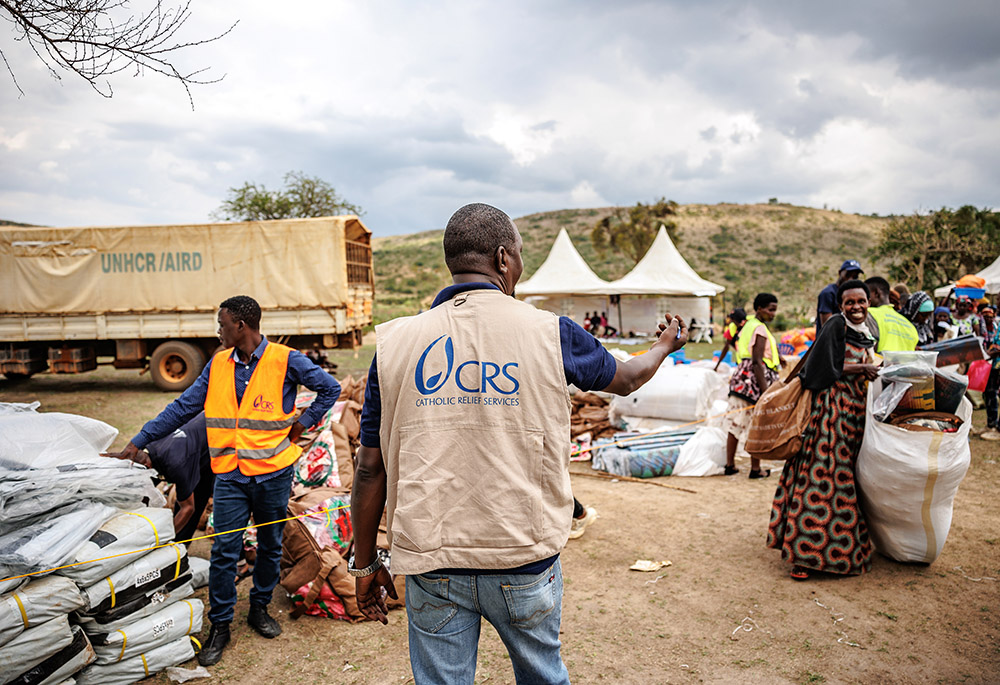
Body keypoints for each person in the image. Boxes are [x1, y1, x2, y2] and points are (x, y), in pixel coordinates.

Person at [349, 203, 688, 685]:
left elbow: (369, 469)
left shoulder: (395, 344)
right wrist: (664, 346)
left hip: (433, 559)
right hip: (523, 554)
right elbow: (629, 377)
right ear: (504, 259)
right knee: (542, 676)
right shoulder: (550, 332)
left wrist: (365, 565)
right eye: (522, 258)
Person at [105, 295, 341, 667]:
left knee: (270, 544)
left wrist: (302, 423)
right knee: (224, 550)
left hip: (273, 474)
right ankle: (220, 625)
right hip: (229, 475)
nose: (218, 330)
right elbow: (183, 407)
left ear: (241, 326)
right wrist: (138, 442)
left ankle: (260, 608)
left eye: (222, 324)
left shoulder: (285, 360)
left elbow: (331, 389)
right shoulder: (217, 365)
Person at [767, 280, 879, 581]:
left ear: (869, 301)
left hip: (855, 414)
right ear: (840, 305)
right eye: (849, 302)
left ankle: (841, 548)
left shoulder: (871, 328)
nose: (856, 307)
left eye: (861, 301)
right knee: (823, 479)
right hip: (830, 414)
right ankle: (804, 556)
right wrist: (860, 370)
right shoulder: (835, 326)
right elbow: (820, 368)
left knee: (849, 480)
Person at [106, 412, 213, 543]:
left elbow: (188, 508)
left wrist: (163, 538)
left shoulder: (177, 466)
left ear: (147, 465)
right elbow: (144, 491)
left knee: (196, 495)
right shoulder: (146, 445)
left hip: (215, 438)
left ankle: (178, 544)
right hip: (195, 431)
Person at [721, 294, 781, 479]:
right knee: (756, 424)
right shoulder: (760, 329)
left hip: (742, 378)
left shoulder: (748, 326)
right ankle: (755, 469)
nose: (773, 313)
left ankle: (730, 465)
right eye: (770, 309)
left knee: (736, 423)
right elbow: (756, 361)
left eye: (774, 309)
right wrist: (765, 392)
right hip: (754, 380)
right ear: (759, 308)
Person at [864, 277, 918, 352]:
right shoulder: (910, 326)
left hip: (879, 363)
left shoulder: (868, 314)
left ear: (876, 293)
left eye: (865, 295)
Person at [815, 259, 863, 333]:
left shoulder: (852, 295)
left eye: (855, 277)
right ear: (840, 273)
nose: (850, 279)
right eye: (848, 275)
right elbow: (827, 327)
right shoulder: (828, 293)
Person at [980, 307, 1000, 441]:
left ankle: (997, 429)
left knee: (993, 392)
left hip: (995, 361)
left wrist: (986, 355)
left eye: (998, 299)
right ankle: (992, 424)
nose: (997, 303)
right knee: (989, 392)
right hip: (993, 363)